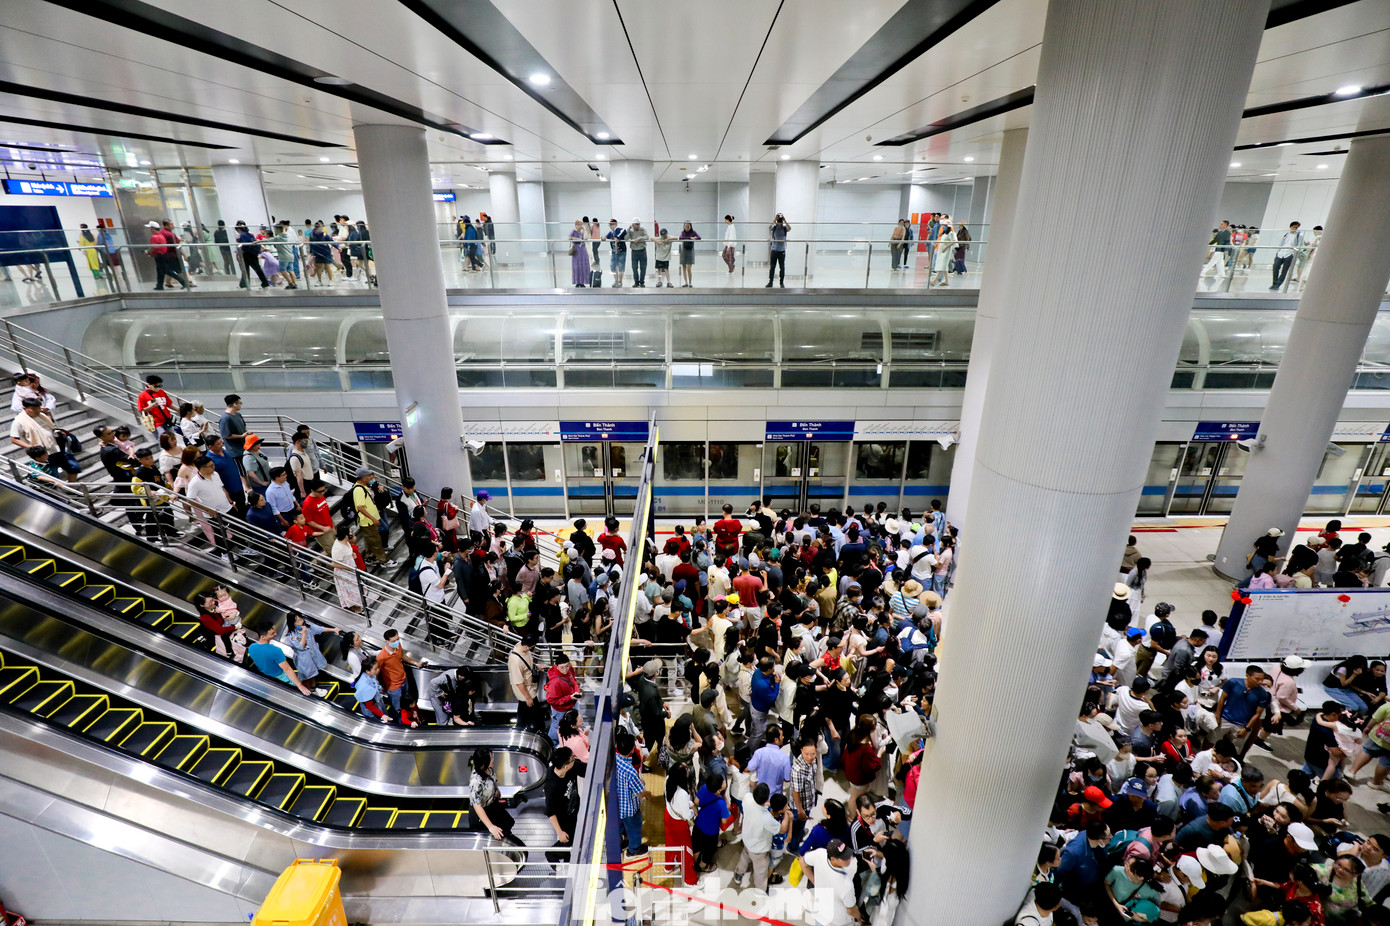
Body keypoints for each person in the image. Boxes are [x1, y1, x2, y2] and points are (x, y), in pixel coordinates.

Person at [732, 781, 788, 891]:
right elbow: (782, 830)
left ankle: (738, 875)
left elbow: (757, 804)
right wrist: (786, 815)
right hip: (759, 850)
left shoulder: (747, 798)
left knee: (744, 859)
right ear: (767, 798)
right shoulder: (767, 818)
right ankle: (760, 890)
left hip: (747, 840)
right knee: (760, 872)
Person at [802, 838, 861, 926]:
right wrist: (858, 917)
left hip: (820, 917)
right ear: (833, 859)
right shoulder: (846, 885)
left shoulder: (819, 854)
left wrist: (814, 881)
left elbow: (802, 862)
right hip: (839, 923)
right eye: (844, 858)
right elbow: (851, 909)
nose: (848, 859)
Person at [246, 625, 313, 695]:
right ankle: (311, 689)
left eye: (274, 632)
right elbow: (287, 669)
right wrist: (300, 685)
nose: (275, 634)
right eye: (272, 633)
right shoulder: (275, 650)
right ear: (263, 637)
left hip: (265, 674)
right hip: (280, 676)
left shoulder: (251, 647)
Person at [469, 747, 518, 843]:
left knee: (506, 825)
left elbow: (492, 780)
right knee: (493, 835)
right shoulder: (476, 782)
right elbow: (477, 806)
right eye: (491, 759)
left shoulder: (488, 769)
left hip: (492, 804)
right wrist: (490, 826)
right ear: (483, 764)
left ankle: (508, 837)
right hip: (483, 811)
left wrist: (497, 791)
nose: (493, 760)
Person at [614, 730, 650, 856]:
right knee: (635, 828)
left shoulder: (614, 760)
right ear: (631, 750)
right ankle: (633, 850)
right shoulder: (630, 771)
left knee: (620, 826)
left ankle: (620, 844)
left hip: (617, 803)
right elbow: (639, 792)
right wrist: (648, 794)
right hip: (630, 807)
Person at [544, 746, 581, 867]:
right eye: (572, 759)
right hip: (564, 819)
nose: (574, 760)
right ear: (565, 766)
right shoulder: (552, 785)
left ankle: (569, 864)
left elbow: (587, 769)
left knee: (572, 845)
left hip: (573, 810)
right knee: (567, 842)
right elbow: (550, 812)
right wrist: (559, 832)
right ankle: (560, 867)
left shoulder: (571, 767)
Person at [375, 628, 423, 712]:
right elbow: (377, 672)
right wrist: (379, 685)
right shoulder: (382, 656)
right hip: (393, 686)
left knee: (406, 702)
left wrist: (415, 663)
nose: (397, 642)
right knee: (397, 708)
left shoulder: (398, 646)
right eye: (394, 641)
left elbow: (402, 655)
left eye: (397, 639)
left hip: (404, 680)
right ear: (387, 642)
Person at [509, 632, 546, 733]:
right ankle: (534, 730)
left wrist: (536, 666)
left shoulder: (523, 648)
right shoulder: (515, 660)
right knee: (533, 713)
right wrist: (528, 697)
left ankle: (522, 728)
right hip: (526, 691)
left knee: (524, 711)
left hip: (530, 688)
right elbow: (519, 682)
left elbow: (527, 664)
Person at [1271, 221, 1304, 291]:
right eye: (1293, 227)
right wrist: (1278, 251)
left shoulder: (1299, 235)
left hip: (1290, 253)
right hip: (1281, 253)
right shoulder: (1286, 234)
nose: (1295, 229)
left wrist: (1295, 253)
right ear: (1290, 227)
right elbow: (1281, 243)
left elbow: (1300, 245)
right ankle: (1274, 282)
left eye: (1296, 227)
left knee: (1285, 270)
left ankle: (1278, 284)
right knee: (1275, 267)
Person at [767, 213, 790, 288]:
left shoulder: (784, 228)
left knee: (782, 267)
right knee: (772, 267)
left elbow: (789, 228)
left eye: (780, 220)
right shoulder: (774, 227)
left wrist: (785, 220)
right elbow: (769, 227)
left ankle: (781, 282)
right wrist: (774, 219)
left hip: (782, 250)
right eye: (779, 220)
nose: (779, 221)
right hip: (774, 250)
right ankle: (770, 282)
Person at [627, 217, 650, 287]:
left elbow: (647, 237)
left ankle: (642, 282)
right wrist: (628, 229)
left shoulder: (642, 230)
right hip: (634, 251)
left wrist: (639, 238)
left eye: (638, 224)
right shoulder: (630, 231)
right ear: (633, 224)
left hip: (642, 250)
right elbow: (626, 238)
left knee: (643, 267)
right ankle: (636, 282)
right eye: (636, 224)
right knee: (634, 267)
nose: (638, 226)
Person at [605, 218, 627, 287]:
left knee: (621, 266)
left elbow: (624, 231)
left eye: (612, 224)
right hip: (614, 251)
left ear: (616, 224)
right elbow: (605, 237)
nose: (611, 226)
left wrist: (617, 237)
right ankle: (616, 280)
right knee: (613, 266)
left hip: (621, 251)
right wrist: (604, 237)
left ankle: (620, 281)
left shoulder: (620, 230)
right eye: (610, 225)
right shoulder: (611, 232)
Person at [569, 219, 591, 287]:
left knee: (583, 266)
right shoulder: (573, 232)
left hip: (583, 251)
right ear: (575, 225)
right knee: (576, 266)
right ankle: (577, 281)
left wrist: (584, 229)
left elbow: (586, 238)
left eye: (581, 224)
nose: (579, 226)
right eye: (578, 224)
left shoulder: (582, 233)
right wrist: (578, 239)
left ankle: (582, 282)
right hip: (577, 252)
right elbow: (570, 238)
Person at [678, 221, 700, 287]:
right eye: (685, 226)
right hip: (683, 251)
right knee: (684, 267)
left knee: (689, 268)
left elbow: (699, 238)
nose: (687, 227)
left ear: (690, 226)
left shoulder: (693, 232)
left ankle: (690, 282)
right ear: (684, 226)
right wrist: (689, 238)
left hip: (690, 251)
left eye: (688, 226)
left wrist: (694, 238)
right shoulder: (683, 232)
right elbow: (680, 238)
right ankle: (686, 282)